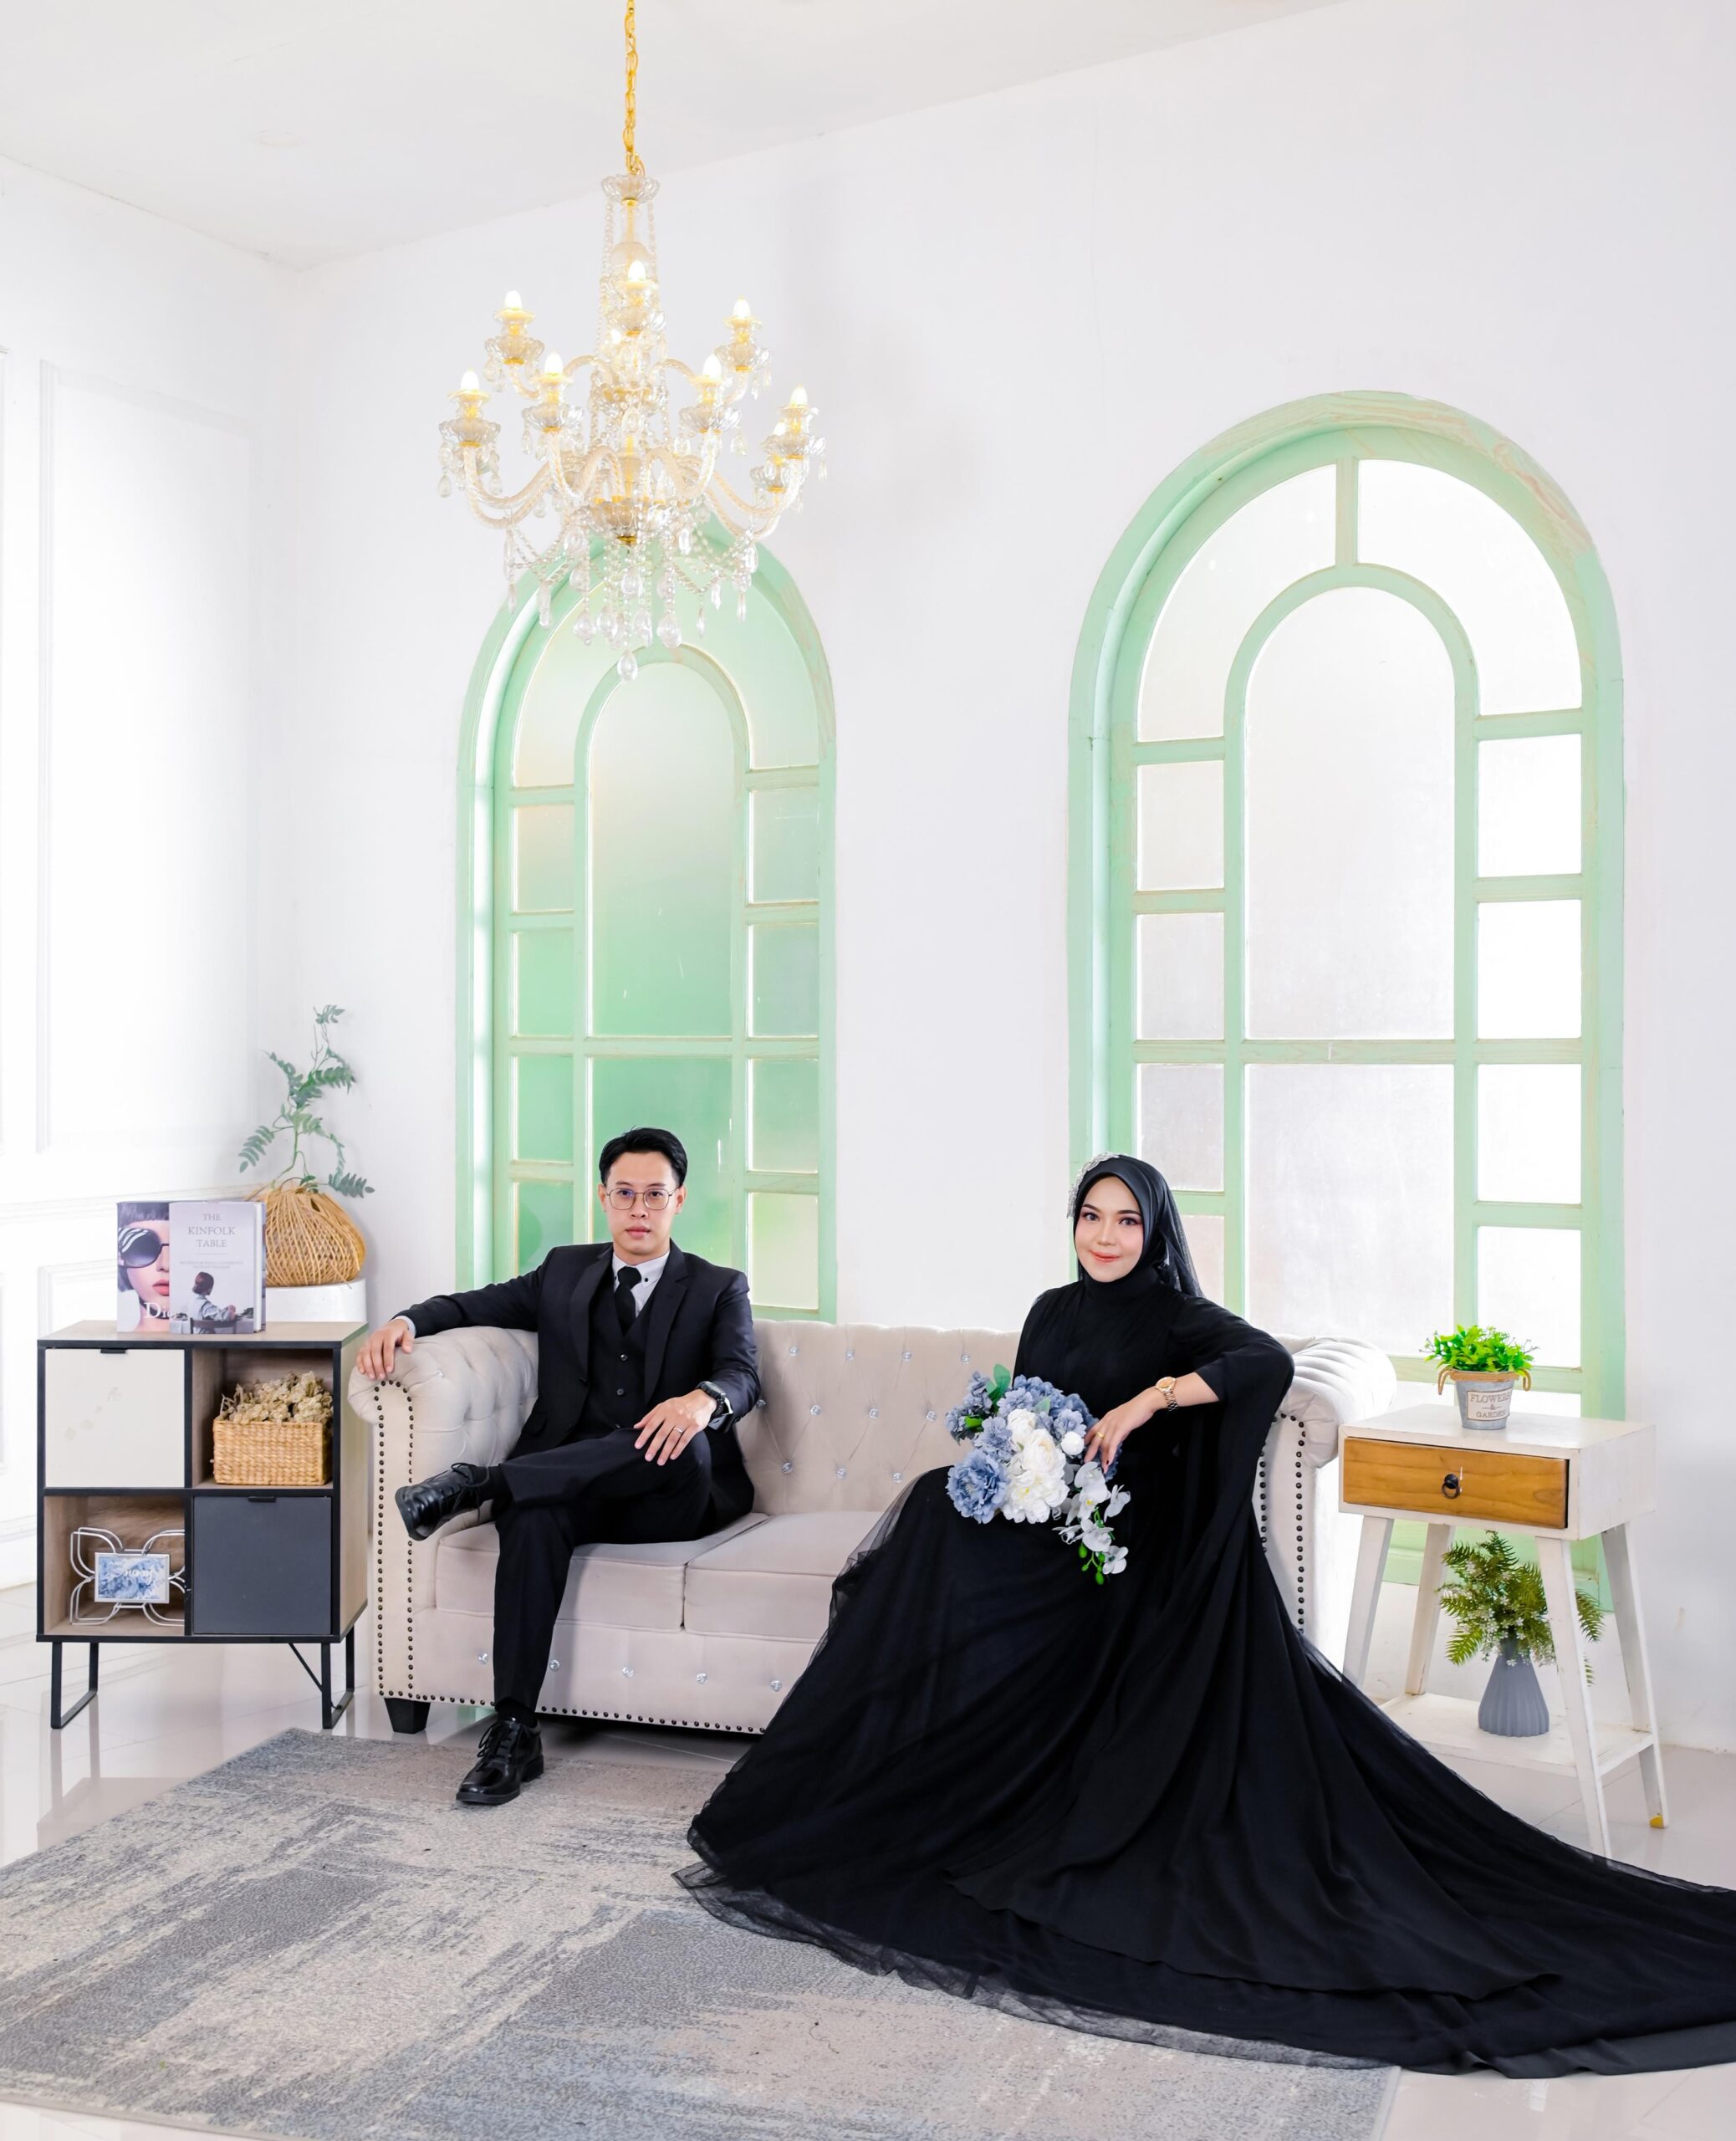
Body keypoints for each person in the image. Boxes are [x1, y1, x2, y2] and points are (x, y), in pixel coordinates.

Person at [677, 1155, 1736, 2078]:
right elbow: (1029, 1412)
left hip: (1135, 1548)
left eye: (1125, 1220)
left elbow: (1265, 1363)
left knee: (939, 1542)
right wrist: (1016, 1463)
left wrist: (1152, 1399)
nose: (1105, 1236)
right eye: (1091, 1216)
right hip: (1060, 1523)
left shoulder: (1178, 1315)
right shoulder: (1051, 1308)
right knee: (930, 1522)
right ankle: (916, 1776)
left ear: (1154, 1230)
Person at [360, 1126, 761, 1807]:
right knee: (534, 1516)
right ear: (603, 1198)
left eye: (654, 1195)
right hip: (571, 1491)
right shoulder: (564, 1272)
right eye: (625, 1194)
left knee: (677, 1436)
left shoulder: (718, 1287)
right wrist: (407, 1321)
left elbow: (743, 1374)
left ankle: (480, 1485)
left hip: (668, 1496)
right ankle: (514, 1730)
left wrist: (701, 1401)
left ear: (679, 1200)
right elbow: (474, 1304)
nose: (639, 1209)